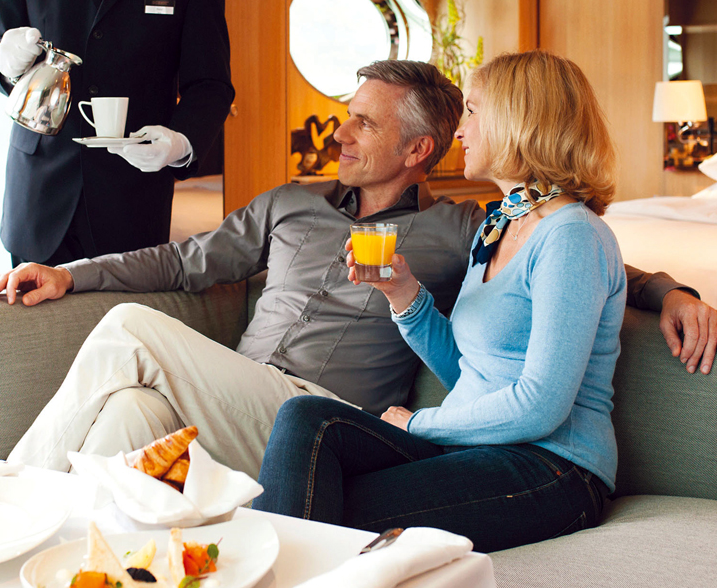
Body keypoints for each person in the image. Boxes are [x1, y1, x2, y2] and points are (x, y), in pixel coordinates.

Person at [0, 60, 717, 480]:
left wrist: (672, 292)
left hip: (321, 418)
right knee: (126, 420)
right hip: (235, 398)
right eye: (348, 114)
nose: (339, 133)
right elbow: (186, 259)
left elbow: (586, 263)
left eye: (364, 122)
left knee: (129, 335)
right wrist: (73, 273)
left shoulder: (464, 230)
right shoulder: (288, 204)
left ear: (418, 151)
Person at [253, 51, 627, 552]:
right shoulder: (498, 226)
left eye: (473, 111)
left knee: (320, 506)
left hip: (550, 465)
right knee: (306, 417)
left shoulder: (572, 236)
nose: (460, 132)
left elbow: (541, 407)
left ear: (520, 120)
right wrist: (403, 294)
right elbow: (465, 371)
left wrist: (419, 423)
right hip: (471, 448)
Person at [0, 0, 234, 267]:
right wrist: (3, 59)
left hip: (134, 201)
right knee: (37, 320)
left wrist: (180, 141)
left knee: (123, 320)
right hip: (39, 196)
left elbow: (211, 83)